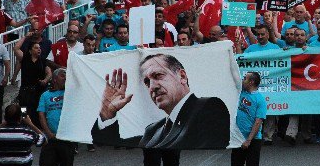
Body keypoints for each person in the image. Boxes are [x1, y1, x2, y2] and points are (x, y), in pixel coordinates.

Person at [94, 54, 231, 150]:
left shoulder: (209, 107)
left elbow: (204, 152)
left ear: (182, 76)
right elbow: (111, 146)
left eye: (158, 75)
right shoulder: (153, 130)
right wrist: (107, 113)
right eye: (147, 82)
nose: (153, 86)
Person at [38, 69, 74, 166]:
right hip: (51, 138)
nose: (65, 77)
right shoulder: (45, 96)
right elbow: (41, 115)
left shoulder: (70, 94)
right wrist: (48, 133)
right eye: (62, 75)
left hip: (67, 138)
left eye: (66, 75)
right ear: (54, 79)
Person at [231, 72, 266, 166]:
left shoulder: (260, 100)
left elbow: (258, 121)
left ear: (251, 82)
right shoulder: (240, 93)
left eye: (245, 78)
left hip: (253, 140)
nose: (242, 80)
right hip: (237, 139)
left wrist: (249, 140)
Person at [14, 40, 52, 127]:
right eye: (36, 48)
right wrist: (26, 37)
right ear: (30, 50)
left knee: (37, 110)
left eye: (39, 48)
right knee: (24, 109)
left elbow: (49, 73)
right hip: (25, 90)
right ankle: (24, 125)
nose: (39, 49)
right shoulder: (25, 58)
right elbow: (16, 48)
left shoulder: (42, 60)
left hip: (38, 91)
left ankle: (37, 128)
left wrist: (45, 80)